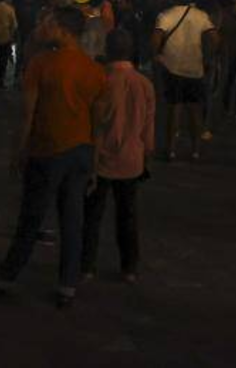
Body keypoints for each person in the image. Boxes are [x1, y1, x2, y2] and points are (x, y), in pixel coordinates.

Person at [0, 6, 107, 309]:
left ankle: (6, 277)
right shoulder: (94, 70)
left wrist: (19, 150)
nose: (43, 28)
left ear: (63, 31)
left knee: (31, 218)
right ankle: (67, 285)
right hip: (81, 151)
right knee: (72, 220)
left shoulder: (42, 64)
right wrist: (95, 162)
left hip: (48, 149)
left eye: (49, 24)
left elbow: (28, 114)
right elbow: (98, 123)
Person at [81, 30, 154, 283]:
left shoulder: (102, 81)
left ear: (108, 50)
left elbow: (94, 125)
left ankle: (86, 265)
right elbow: (148, 129)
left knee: (92, 214)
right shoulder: (144, 84)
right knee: (128, 214)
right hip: (132, 158)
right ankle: (129, 266)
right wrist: (146, 156)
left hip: (100, 158)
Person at [152, 0, 217, 161]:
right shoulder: (201, 16)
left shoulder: (165, 16)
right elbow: (215, 38)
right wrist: (207, 58)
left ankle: (171, 149)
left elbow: (156, 39)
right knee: (195, 110)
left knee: (175, 109)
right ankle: (196, 150)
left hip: (172, 67)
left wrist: (157, 56)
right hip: (195, 68)